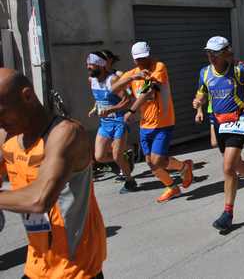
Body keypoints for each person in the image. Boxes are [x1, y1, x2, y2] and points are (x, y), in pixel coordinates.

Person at [0, 69, 107, 278]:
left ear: (27, 96)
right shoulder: (8, 137)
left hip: (76, 268)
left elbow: (40, 199)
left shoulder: (66, 134)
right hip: (37, 263)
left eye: (1, 112)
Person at [194, 36, 244, 231]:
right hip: (218, 122)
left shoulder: (238, 70)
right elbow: (202, 92)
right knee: (234, 163)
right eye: (209, 53)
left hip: (237, 119)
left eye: (215, 54)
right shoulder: (205, 72)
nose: (211, 57)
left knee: (228, 167)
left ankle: (228, 213)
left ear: (226, 53)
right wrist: (199, 104)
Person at [112, 42, 193, 203]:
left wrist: (131, 110)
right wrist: (131, 77)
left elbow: (149, 92)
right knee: (151, 162)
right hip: (145, 124)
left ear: (149, 54)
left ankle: (184, 167)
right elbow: (114, 89)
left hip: (163, 121)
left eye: (143, 58)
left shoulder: (159, 67)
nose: (140, 62)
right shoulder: (135, 73)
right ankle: (172, 187)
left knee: (157, 161)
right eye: (137, 59)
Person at [86, 52, 137, 194]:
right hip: (105, 123)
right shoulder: (92, 80)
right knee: (99, 157)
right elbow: (99, 97)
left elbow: (127, 100)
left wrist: (111, 110)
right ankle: (125, 159)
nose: (88, 67)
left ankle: (130, 181)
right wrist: (95, 107)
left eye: (92, 65)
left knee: (116, 156)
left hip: (119, 122)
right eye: (88, 65)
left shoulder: (113, 80)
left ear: (101, 65)